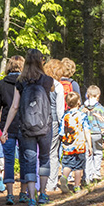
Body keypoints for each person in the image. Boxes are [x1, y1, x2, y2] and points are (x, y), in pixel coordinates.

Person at [2, 48, 53, 206]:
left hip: (25, 128)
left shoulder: (20, 82)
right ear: (40, 61)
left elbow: (14, 107)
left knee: (29, 162)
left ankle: (31, 198)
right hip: (45, 126)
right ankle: (43, 193)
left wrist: (5, 128)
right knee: (44, 159)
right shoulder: (47, 80)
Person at [0, 55, 28, 205]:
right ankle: (24, 192)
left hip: (7, 125)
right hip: (25, 124)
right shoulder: (26, 83)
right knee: (26, 159)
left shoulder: (2, 84)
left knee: (8, 160)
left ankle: (10, 194)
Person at [58, 91, 93, 194]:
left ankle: (64, 177)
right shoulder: (82, 116)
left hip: (67, 146)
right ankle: (77, 186)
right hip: (79, 146)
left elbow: (61, 132)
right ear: (79, 102)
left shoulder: (65, 116)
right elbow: (87, 131)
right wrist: (89, 146)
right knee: (78, 167)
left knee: (67, 165)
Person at [43, 58, 66, 192]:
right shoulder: (57, 86)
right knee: (52, 153)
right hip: (53, 122)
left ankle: (37, 183)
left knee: (40, 152)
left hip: (38, 121)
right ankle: (50, 184)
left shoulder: (39, 83)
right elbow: (59, 110)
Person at [81, 85, 104, 184]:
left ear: (87, 95)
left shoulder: (82, 109)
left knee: (87, 154)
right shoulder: (100, 109)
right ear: (98, 96)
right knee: (97, 153)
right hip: (97, 134)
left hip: (85, 135)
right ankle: (96, 173)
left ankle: (87, 176)